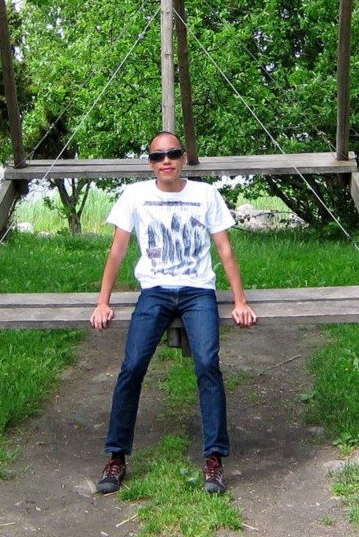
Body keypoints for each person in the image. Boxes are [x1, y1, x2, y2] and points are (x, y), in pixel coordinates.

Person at [89, 130, 257, 496]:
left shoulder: (205, 194)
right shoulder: (135, 195)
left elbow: (225, 250)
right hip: (155, 291)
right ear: (149, 162)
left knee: (207, 364)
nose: (166, 161)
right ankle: (116, 455)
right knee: (132, 365)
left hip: (198, 290)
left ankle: (214, 460)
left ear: (183, 158)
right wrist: (103, 302)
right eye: (157, 156)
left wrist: (240, 301)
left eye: (173, 153)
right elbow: (116, 251)